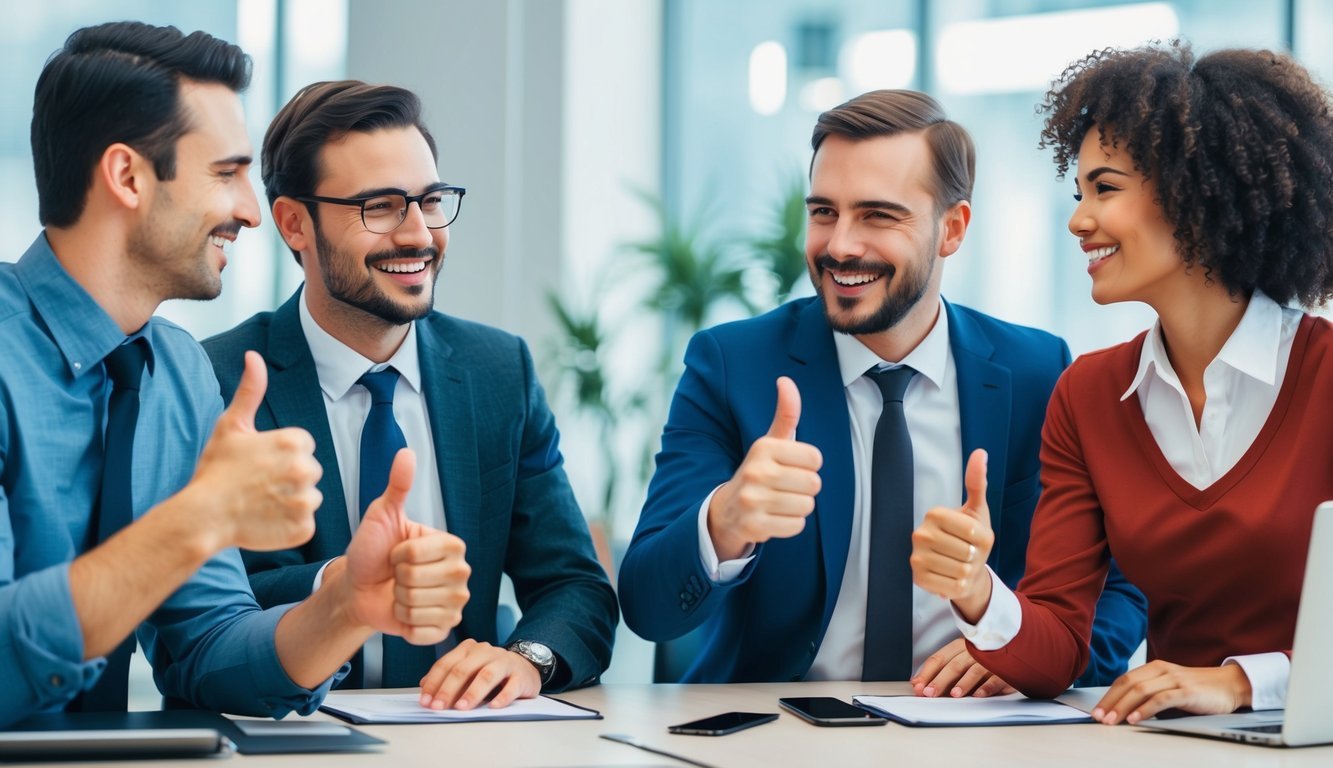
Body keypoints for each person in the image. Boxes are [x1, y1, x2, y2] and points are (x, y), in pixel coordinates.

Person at [0, 23, 470, 728]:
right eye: (225, 173)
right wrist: (203, 515)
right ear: (127, 176)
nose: (252, 211)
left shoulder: (179, 372)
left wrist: (344, 605)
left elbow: (206, 648)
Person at [618, 89, 1145, 689]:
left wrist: (1014, 649)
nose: (840, 244)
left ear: (952, 228)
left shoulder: (1038, 373)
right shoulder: (732, 365)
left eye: (877, 215)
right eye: (823, 212)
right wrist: (725, 521)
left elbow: (1120, 595)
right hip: (780, 737)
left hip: (976, 734)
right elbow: (647, 607)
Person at [913, 41, 1333, 724]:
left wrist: (1238, 684)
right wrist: (974, 591)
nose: (1078, 220)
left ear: (1198, 191)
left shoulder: (1323, 377)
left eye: (1104, 189)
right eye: (1078, 192)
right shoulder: (1088, 396)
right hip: (1164, 746)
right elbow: (1056, 652)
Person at [203, 80, 617, 711]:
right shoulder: (219, 380)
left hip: (465, 737)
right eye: (381, 206)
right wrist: (341, 589)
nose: (420, 235)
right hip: (288, 735)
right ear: (294, 223)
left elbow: (573, 585)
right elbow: (209, 611)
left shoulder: (498, 371)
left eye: (430, 201)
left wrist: (523, 661)